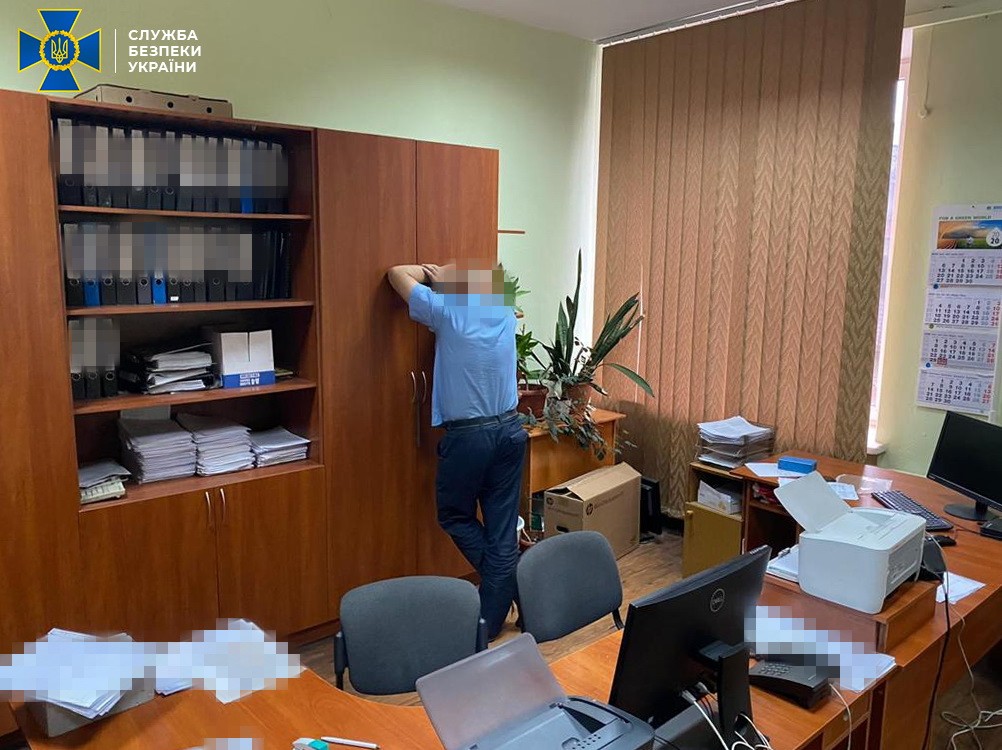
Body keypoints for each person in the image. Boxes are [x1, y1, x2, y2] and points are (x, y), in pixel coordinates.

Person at [387, 261, 526, 639]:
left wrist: (433, 276)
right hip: (511, 430)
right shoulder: (503, 310)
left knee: (454, 515)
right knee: (501, 532)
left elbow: (396, 275)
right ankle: (514, 596)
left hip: (470, 438)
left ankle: (490, 621)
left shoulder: (446, 310)